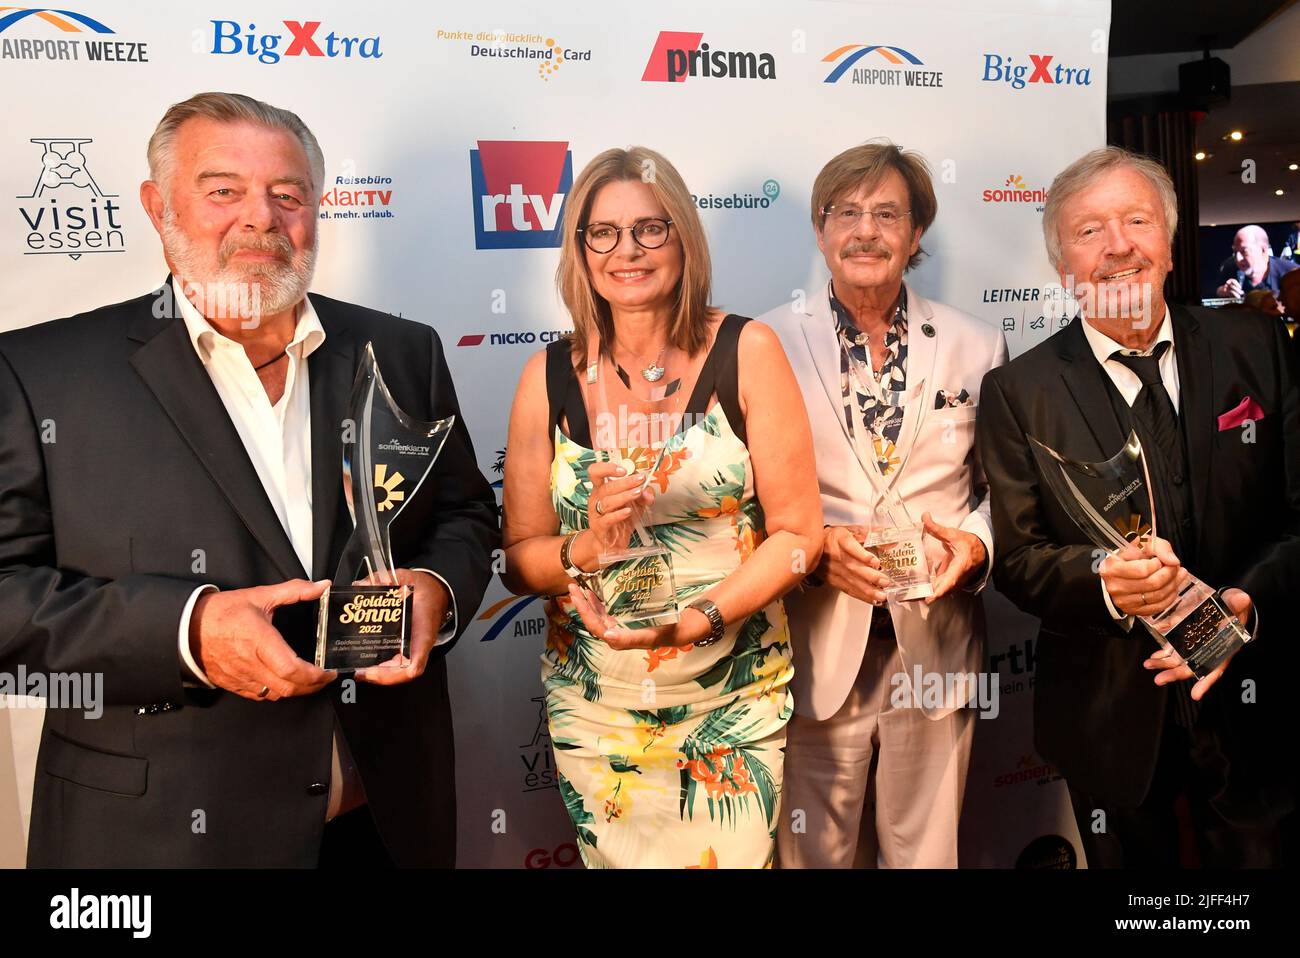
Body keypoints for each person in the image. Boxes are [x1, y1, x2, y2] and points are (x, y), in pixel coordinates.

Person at [0, 92, 499, 867]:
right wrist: (188, 631)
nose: (261, 218)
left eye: (288, 194)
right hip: (157, 842)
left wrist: (436, 586)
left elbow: (465, 513)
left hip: (384, 824)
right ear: (158, 206)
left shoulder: (401, 351)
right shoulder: (38, 374)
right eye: (223, 189)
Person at [501, 146, 823, 868]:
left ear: (683, 236)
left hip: (730, 701)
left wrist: (699, 618)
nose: (628, 251)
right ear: (580, 251)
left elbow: (800, 535)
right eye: (604, 233)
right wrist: (588, 545)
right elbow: (519, 561)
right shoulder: (546, 375)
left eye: (651, 228)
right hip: (596, 708)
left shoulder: (749, 348)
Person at [979, 146, 1297, 867]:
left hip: (1258, 705)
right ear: (1063, 267)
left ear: (1170, 242)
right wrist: (1102, 581)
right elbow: (1020, 561)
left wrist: (1250, 597)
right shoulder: (1018, 392)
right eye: (1090, 231)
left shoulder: (1257, 345)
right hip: (1109, 719)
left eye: (1136, 220)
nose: (1118, 244)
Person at [762, 141, 1008, 868]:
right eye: (847, 212)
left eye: (887, 213)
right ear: (819, 229)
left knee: (926, 856)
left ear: (916, 233)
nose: (866, 231)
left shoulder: (977, 342)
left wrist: (976, 547)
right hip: (813, 648)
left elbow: (1000, 491)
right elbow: (735, 499)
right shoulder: (762, 342)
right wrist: (810, 554)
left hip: (937, 643)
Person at [1215, 224, 1297, 299]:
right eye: (1235, 252)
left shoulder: (1291, 273)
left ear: (1263, 250)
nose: (1238, 258)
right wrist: (1223, 291)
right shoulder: (1229, 267)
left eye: (1244, 251)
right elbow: (1212, 292)